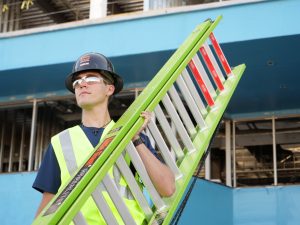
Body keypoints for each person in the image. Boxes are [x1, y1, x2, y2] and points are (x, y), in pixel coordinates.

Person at [32, 52, 175, 224]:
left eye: (91, 78)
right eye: (77, 81)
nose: (82, 84)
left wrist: (136, 139)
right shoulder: (60, 142)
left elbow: (167, 188)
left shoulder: (131, 136)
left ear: (110, 88)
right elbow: (50, 200)